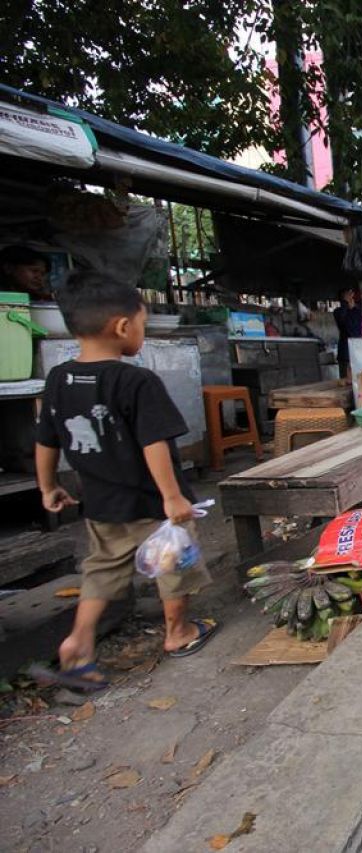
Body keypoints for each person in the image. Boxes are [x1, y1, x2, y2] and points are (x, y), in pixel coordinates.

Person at [31, 272, 217, 692]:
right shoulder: (136, 381)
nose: (142, 332)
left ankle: (79, 644)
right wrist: (172, 497)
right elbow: (154, 443)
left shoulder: (59, 378)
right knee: (173, 565)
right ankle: (178, 631)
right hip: (152, 503)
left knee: (101, 570)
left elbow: (45, 439)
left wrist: (47, 487)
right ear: (121, 326)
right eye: (142, 324)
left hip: (100, 501)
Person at [333, 286, 362, 377]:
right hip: (345, 352)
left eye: (351, 296)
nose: (350, 298)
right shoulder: (338, 312)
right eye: (347, 296)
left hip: (359, 351)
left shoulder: (358, 311)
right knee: (345, 381)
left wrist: (353, 307)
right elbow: (342, 321)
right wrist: (345, 303)